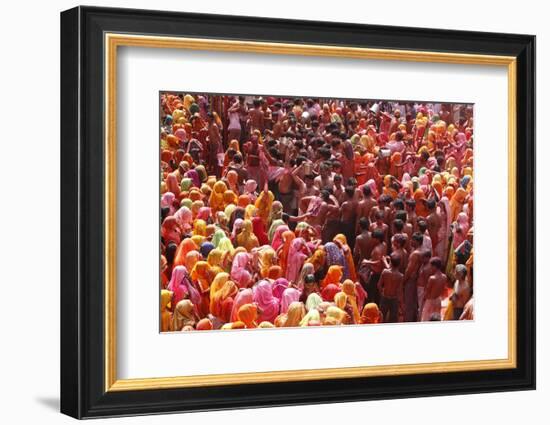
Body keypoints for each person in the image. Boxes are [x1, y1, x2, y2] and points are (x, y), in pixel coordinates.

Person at [378, 253, 403, 323]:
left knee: (381, 317)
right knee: (393, 320)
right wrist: (401, 304)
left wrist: (382, 293)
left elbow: (379, 285)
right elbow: (400, 291)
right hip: (394, 299)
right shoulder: (400, 276)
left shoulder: (385, 272)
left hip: (385, 297)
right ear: (399, 264)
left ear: (391, 262)